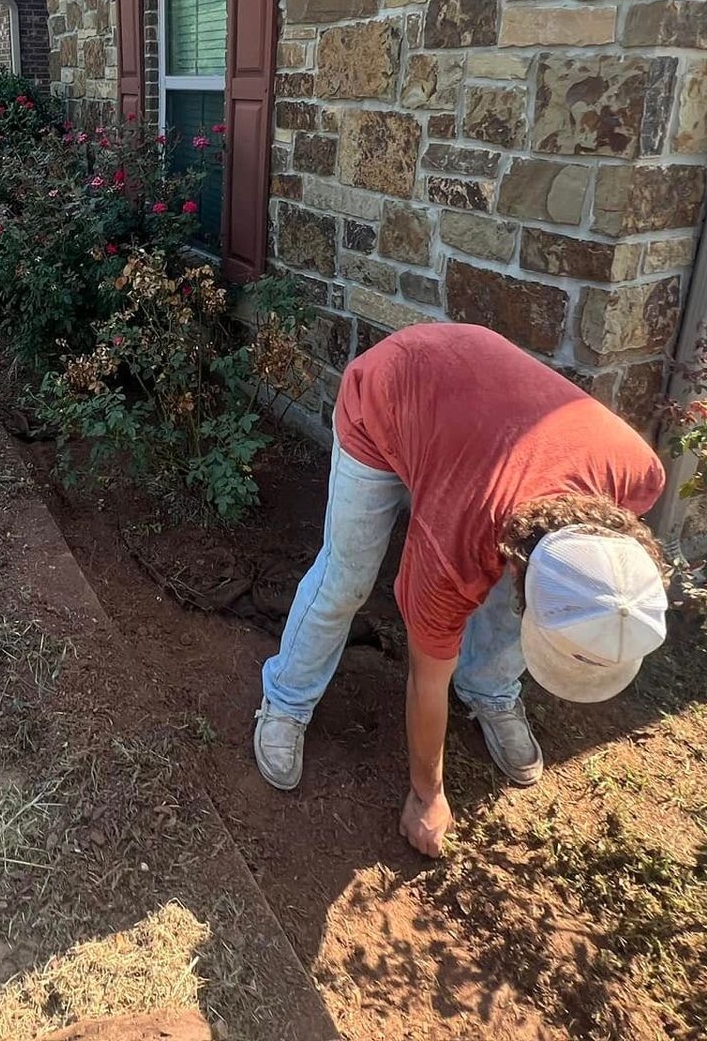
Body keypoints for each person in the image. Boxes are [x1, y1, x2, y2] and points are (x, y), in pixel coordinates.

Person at [254, 323, 668, 858]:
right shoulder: (454, 548)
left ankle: (489, 689)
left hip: (471, 415)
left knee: (511, 591)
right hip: (393, 389)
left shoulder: (638, 475)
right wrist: (427, 795)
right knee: (346, 578)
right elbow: (425, 682)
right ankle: (286, 699)